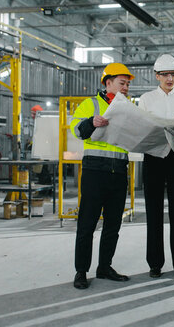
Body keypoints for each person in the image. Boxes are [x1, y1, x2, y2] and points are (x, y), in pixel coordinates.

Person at [69, 62, 134, 290]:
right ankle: (81, 271)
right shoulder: (91, 104)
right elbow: (76, 130)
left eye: (127, 84)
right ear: (108, 83)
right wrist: (91, 122)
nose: (126, 87)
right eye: (122, 83)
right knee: (87, 224)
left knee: (113, 225)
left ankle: (104, 267)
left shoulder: (129, 107)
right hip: (95, 171)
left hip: (119, 172)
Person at [138, 54, 174, 278]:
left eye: (173, 74)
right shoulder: (146, 99)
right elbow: (141, 127)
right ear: (156, 76)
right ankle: (155, 263)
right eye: (165, 74)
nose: (170, 78)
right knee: (153, 210)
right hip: (153, 154)